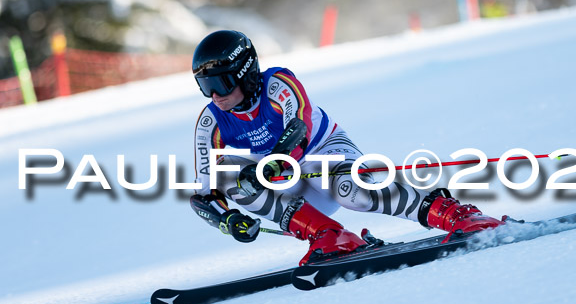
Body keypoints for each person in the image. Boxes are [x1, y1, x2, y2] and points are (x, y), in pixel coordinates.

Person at [190, 30, 503, 266]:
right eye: (206, 87)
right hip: (291, 188)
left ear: (245, 74)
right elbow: (205, 192)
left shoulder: (278, 84)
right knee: (230, 172)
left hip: (324, 153)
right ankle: (330, 236)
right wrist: (226, 219)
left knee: (352, 192)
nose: (215, 95)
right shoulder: (210, 123)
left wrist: (276, 164)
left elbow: (298, 129)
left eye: (221, 83)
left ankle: (458, 215)